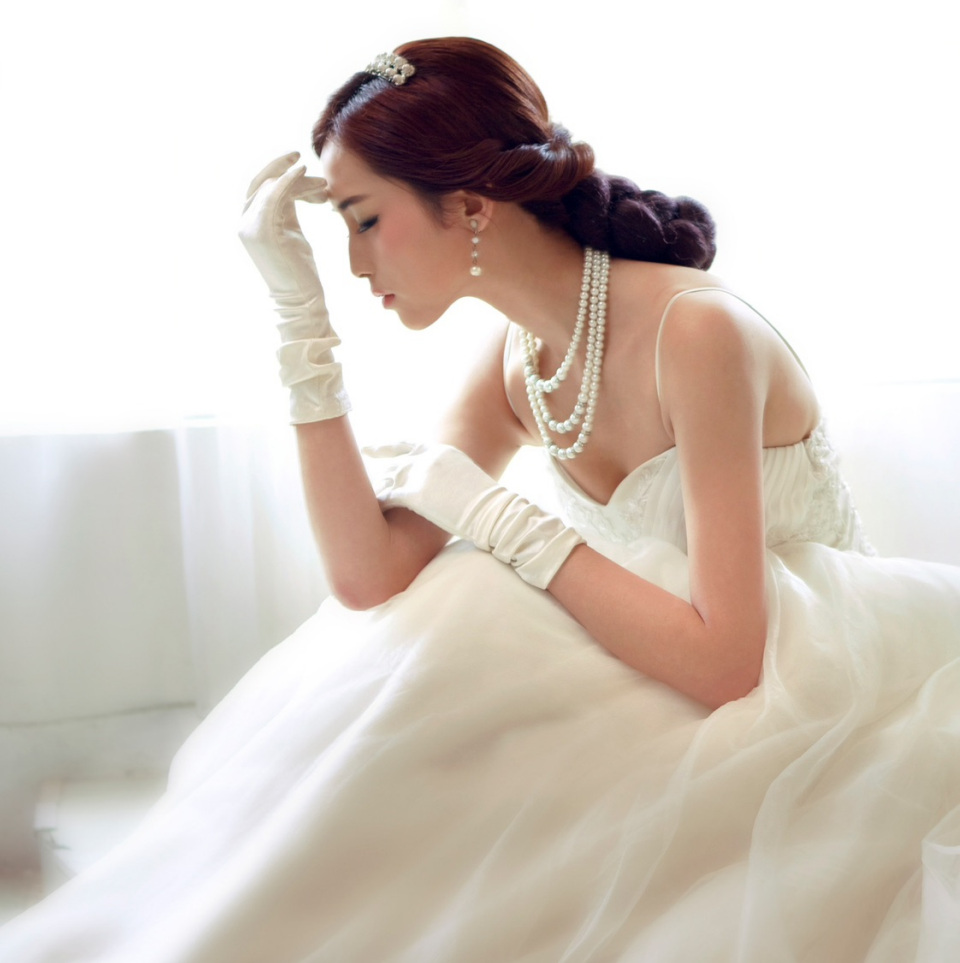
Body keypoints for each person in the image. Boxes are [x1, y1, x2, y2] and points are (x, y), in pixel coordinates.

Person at [2, 36, 958, 963]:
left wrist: (504, 524)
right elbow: (370, 575)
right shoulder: (518, 363)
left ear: (468, 205)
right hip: (668, 677)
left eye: (364, 219)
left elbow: (729, 662)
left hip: (815, 695)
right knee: (433, 639)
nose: (356, 263)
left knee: (475, 602)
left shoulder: (697, 333)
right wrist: (300, 321)